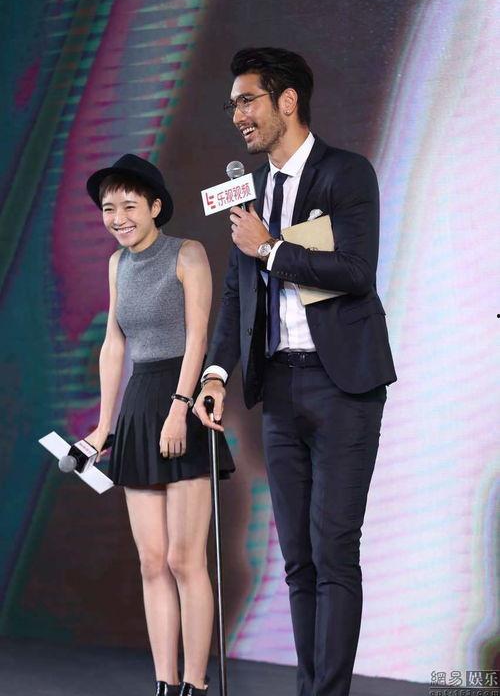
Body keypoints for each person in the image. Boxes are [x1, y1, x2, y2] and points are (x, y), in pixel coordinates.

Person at [194, 47, 396, 696]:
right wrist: (216, 373)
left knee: (334, 549)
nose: (237, 115)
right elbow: (237, 292)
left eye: (247, 100)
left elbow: (356, 271)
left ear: (287, 101)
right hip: (279, 388)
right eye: (232, 105)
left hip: (343, 386)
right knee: (298, 560)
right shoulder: (249, 190)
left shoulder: (345, 173)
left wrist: (272, 249)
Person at [85, 154, 234, 696]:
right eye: (108, 208)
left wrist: (180, 405)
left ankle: (195, 683)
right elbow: (114, 345)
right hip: (139, 401)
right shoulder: (116, 264)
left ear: (154, 206)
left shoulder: (187, 253)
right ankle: (165, 684)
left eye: (129, 206)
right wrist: (103, 427)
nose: (118, 218)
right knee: (152, 561)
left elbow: (199, 337)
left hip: (183, 400)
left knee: (183, 559)